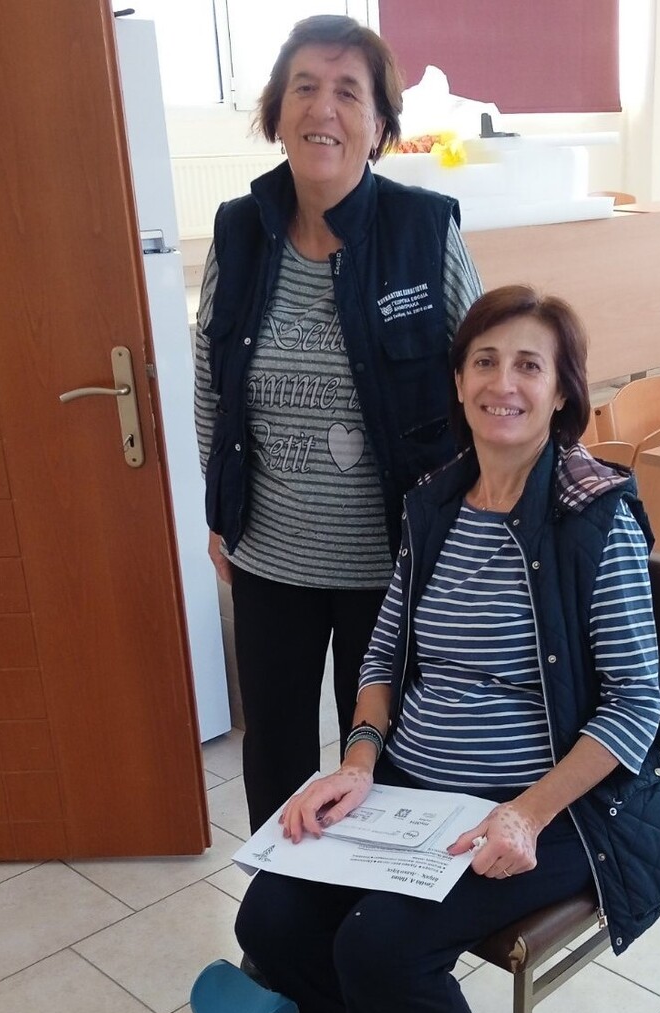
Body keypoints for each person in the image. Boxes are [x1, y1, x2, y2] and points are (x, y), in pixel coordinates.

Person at [235, 286, 660, 1013]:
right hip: (415, 787)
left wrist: (525, 812)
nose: (504, 383)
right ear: (458, 382)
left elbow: (634, 706)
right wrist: (357, 762)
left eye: (529, 365)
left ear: (562, 392)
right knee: (271, 917)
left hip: (556, 806)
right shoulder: (436, 502)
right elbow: (383, 654)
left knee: (378, 945)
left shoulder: (593, 517)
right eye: (485, 361)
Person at [194, 14, 481, 832]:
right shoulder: (238, 231)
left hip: (393, 565)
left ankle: (366, 906)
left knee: (382, 765)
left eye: (349, 92)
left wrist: (476, 528)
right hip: (269, 559)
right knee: (274, 756)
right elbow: (214, 383)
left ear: (380, 124)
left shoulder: (424, 232)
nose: (324, 108)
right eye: (305, 88)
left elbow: (481, 381)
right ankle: (279, 903)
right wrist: (220, 511)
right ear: (276, 113)